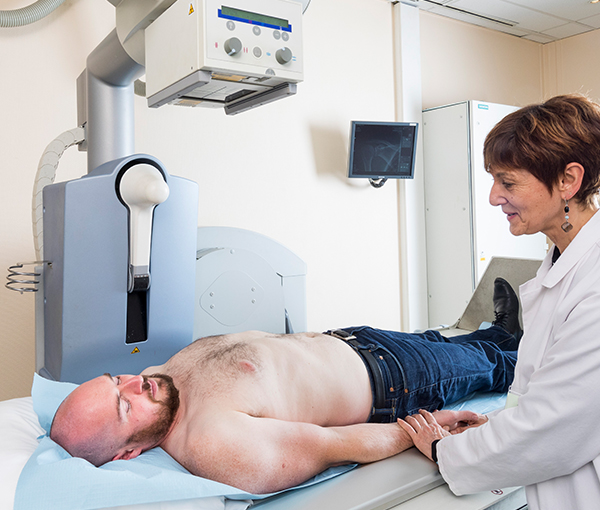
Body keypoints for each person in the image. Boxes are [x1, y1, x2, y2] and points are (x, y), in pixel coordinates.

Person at [50, 278, 521, 495]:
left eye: (117, 380)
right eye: (123, 405)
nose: (136, 383)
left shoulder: (159, 386)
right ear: (129, 453)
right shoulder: (215, 442)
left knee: (450, 340)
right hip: (392, 380)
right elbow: (335, 444)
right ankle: (524, 348)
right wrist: (426, 425)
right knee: (492, 366)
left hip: (352, 340)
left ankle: (500, 330)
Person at [398, 94, 600, 510]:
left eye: (508, 182)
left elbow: (554, 427)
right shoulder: (562, 259)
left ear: (568, 180)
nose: (493, 197)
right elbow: (551, 396)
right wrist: (495, 425)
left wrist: (442, 450)